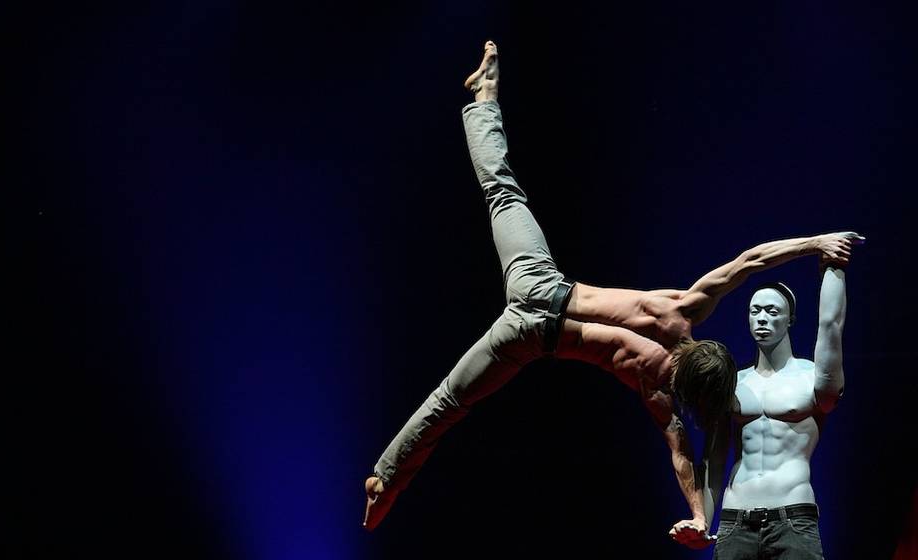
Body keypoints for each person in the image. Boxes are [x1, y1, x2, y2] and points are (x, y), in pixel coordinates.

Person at [363, 40, 862, 533]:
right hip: (530, 338)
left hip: (541, 286)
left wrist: (814, 243)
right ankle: (386, 479)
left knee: (501, 189)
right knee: (450, 401)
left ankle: (485, 100)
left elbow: (749, 261)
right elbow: (683, 455)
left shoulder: (681, 310)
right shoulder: (660, 388)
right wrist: (697, 516)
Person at [672, 260, 858, 560]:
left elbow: (831, 327)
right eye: (754, 310)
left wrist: (832, 267)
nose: (761, 318)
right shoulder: (733, 384)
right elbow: (714, 455)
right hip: (735, 523)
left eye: (772, 311)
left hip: (793, 521)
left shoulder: (812, 378)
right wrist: (701, 520)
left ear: (790, 319)